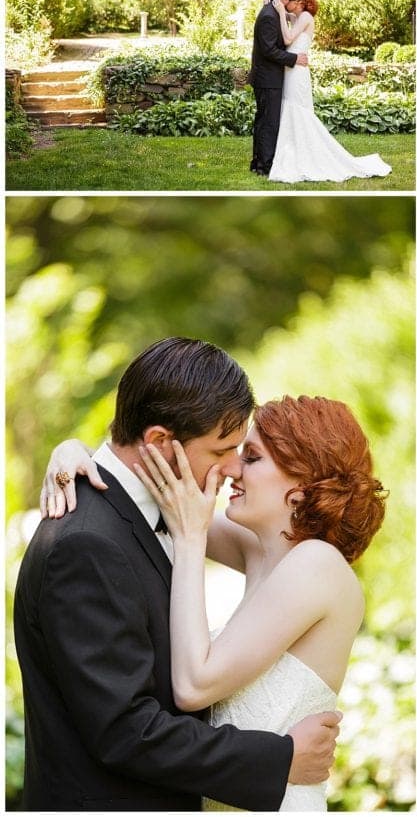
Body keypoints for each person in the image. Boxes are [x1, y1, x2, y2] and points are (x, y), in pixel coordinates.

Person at [15, 338, 341, 811]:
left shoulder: (154, 512)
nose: (233, 469)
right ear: (160, 442)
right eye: (221, 449)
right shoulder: (87, 545)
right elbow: (125, 731)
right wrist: (279, 759)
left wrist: (71, 447)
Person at [267, 0, 391, 184]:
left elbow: (288, 38)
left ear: (302, 2)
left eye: (296, 1)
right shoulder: (297, 17)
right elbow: (288, 19)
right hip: (291, 70)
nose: (292, 5)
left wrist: (282, 13)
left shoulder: (306, 17)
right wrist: (279, 7)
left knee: (298, 110)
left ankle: (306, 155)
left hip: (297, 73)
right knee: (290, 109)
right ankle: (293, 153)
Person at [249, 0, 310, 177]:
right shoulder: (269, 16)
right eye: (295, 3)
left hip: (269, 77)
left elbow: (290, 20)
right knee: (269, 123)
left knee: (264, 121)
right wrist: (294, 58)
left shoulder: (274, 10)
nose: (296, 7)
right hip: (267, 78)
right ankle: (265, 165)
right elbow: (269, 50)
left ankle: (258, 162)